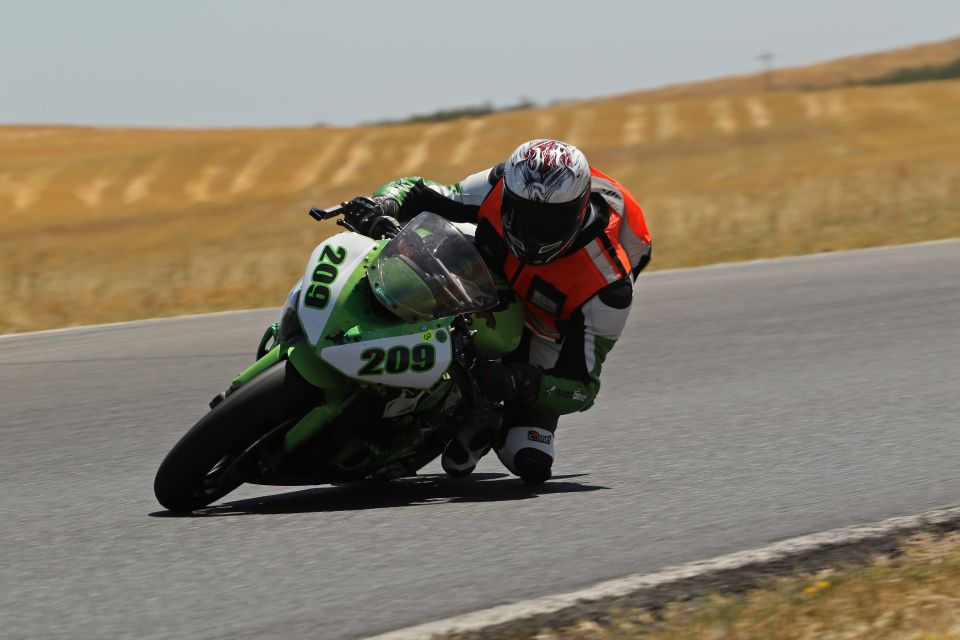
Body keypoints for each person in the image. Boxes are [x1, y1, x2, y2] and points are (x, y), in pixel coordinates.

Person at [341, 139, 651, 484]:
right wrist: (383, 202)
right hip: (492, 269)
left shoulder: (608, 286)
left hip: (546, 327)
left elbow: (581, 388)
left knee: (528, 459)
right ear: (508, 196)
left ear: (577, 213)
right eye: (521, 214)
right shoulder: (498, 184)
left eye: (549, 222)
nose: (533, 232)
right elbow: (420, 190)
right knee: (418, 246)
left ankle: (480, 417)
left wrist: (521, 381)